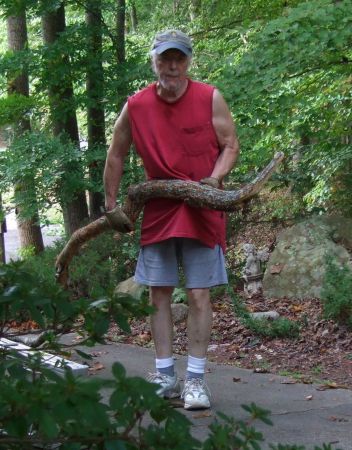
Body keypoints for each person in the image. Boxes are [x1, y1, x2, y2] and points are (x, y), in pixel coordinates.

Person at [103, 29, 240, 410]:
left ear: (189, 62)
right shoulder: (137, 105)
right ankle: (164, 375)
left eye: (179, 59)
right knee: (158, 292)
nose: (172, 66)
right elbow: (116, 153)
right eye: (165, 59)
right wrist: (112, 204)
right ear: (154, 61)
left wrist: (214, 179)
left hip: (202, 210)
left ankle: (195, 380)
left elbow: (231, 144)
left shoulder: (209, 97)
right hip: (159, 210)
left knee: (198, 294)